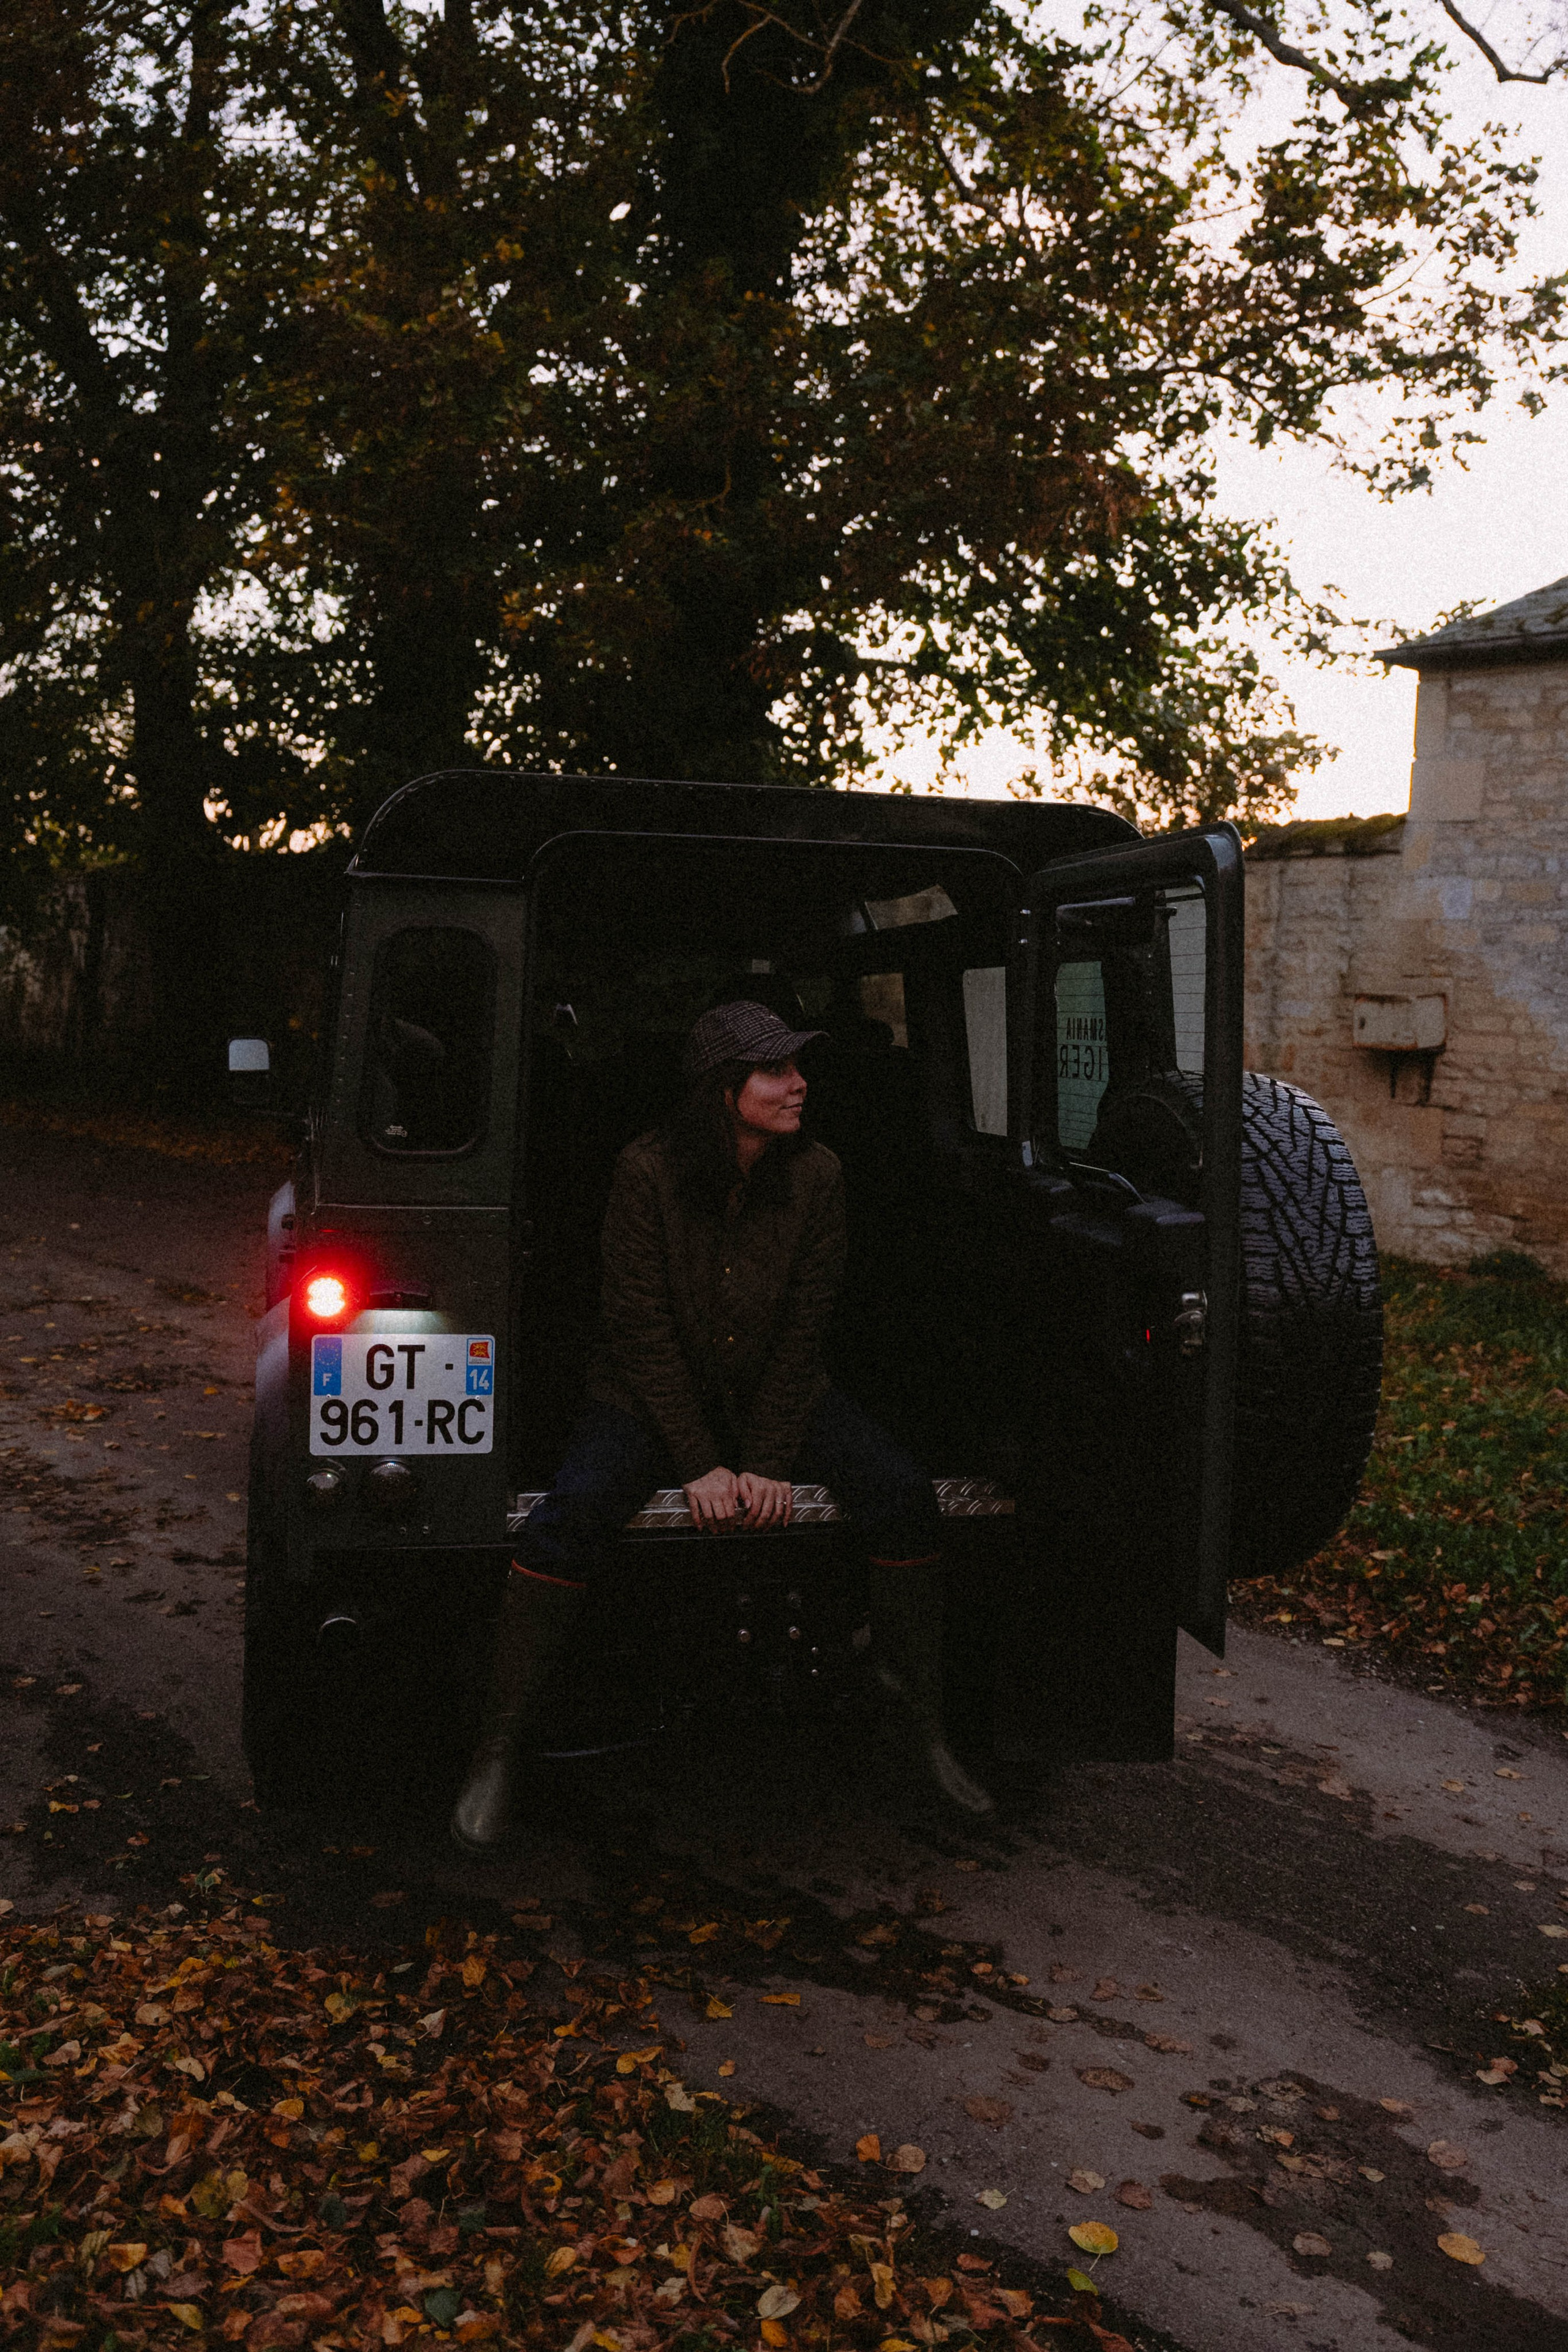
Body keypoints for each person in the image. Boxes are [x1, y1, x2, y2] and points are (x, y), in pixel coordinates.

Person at [450, 998, 993, 1850]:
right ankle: (499, 1746)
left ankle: (921, 1721)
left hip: (777, 1393)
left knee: (901, 1494)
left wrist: (768, 1460)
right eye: (778, 1070)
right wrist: (701, 1462)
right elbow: (637, 1327)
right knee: (571, 1516)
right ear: (723, 1087)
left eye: (798, 1067)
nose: (800, 1084)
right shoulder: (646, 1172)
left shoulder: (819, 1176)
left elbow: (807, 1329)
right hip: (645, 1395)